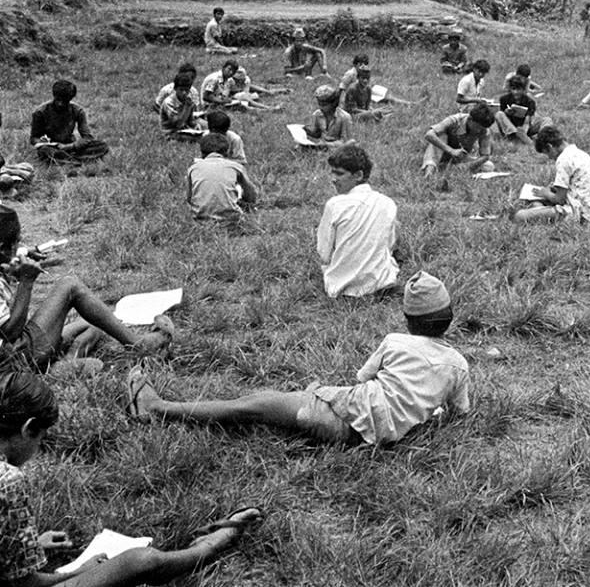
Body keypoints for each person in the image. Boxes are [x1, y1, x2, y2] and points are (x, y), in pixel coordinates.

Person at [126, 271, 471, 446]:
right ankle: (310, 399)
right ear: (450, 317)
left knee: (251, 405)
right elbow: (459, 412)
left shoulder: (397, 342)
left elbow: (363, 379)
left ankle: (159, 408)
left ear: (408, 320)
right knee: (269, 406)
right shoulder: (458, 365)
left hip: (346, 419)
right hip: (372, 434)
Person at [0, 370, 262, 587]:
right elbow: (24, 585)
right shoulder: (9, 479)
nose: (38, 450)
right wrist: (82, 571)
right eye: (41, 439)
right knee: (140, 561)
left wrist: (25, 550)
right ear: (28, 428)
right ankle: (209, 546)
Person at [0, 205, 174, 372]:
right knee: (70, 286)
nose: (18, 247)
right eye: (16, 242)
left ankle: (65, 362)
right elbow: (10, 333)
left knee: (97, 321)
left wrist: (18, 255)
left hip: (14, 348)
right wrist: (26, 281)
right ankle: (139, 346)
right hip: (9, 359)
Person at [315, 145, 398, 298]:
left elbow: (324, 254)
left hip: (342, 288)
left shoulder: (335, 205)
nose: (333, 179)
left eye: (340, 173)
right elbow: (390, 244)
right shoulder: (388, 203)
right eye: (333, 172)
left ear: (358, 175)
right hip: (381, 284)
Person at [513, 125, 590, 225]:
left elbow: (559, 199)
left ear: (550, 147)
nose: (549, 158)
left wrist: (546, 193)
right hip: (589, 212)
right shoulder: (581, 154)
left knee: (519, 216)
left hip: (573, 213)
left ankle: (541, 212)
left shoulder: (563, 160)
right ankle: (541, 212)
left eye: (547, 153)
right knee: (536, 204)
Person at [30, 80, 109, 165]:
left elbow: (87, 137)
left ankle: (67, 160)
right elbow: (34, 138)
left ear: (70, 99)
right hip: (52, 147)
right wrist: (41, 142)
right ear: (54, 96)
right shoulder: (40, 112)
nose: (60, 104)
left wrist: (68, 146)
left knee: (102, 146)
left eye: (64, 101)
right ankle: (76, 160)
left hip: (71, 146)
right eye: (58, 100)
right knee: (44, 151)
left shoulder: (77, 111)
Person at [186, 133, 258, 222]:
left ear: (202, 153)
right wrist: (247, 205)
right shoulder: (236, 166)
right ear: (226, 152)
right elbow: (251, 193)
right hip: (231, 219)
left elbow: (189, 198)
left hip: (200, 218)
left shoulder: (193, 168)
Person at [421, 104, 495, 177]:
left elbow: (485, 156)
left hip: (459, 157)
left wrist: (469, 166)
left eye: (481, 129)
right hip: (441, 152)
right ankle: (430, 169)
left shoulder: (484, 131)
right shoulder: (454, 120)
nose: (479, 131)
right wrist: (451, 151)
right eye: (477, 127)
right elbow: (429, 135)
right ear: (470, 119)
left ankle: (447, 168)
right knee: (441, 135)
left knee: (489, 166)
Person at [304, 85, 354, 151]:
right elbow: (317, 134)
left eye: (324, 105)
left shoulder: (344, 117)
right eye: (319, 104)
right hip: (321, 146)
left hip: (337, 148)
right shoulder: (317, 114)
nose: (321, 107)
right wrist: (305, 130)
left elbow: (346, 141)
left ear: (333, 104)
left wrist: (327, 145)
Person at [495, 75, 537, 143]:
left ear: (523, 90)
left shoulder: (530, 101)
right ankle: (515, 134)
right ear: (510, 89)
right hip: (510, 126)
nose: (516, 92)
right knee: (499, 114)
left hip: (524, 127)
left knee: (546, 120)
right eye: (513, 89)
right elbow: (502, 118)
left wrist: (524, 128)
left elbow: (529, 119)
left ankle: (522, 135)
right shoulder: (504, 99)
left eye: (518, 89)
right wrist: (506, 112)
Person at [159, 73, 203, 137]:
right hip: (171, 132)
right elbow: (177, 124)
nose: (184, 93)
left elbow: (190, 120)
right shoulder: (169, 102)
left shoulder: (188, 100)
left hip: (184, 129)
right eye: (181, 90)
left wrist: (196, 126)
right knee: (199, 139)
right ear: (175, 89)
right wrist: (186, 108)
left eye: (186, 90)